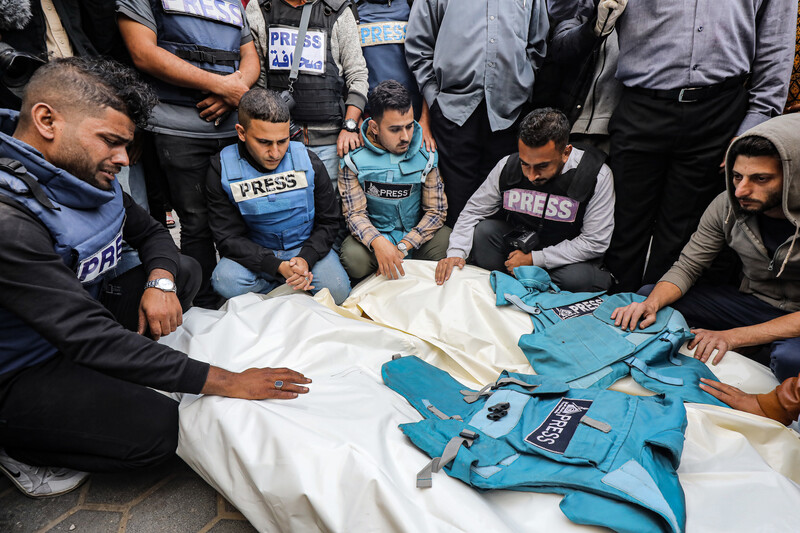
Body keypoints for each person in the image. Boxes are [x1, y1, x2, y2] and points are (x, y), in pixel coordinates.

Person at [0, 58, 310, 499]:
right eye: (110, 141)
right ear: (47, 120)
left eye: (126, 144)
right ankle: (18, 445)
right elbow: (90, 338)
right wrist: (229, 381)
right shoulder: (10, 221)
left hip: (74, 325)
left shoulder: (81, 170)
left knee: (183, 270)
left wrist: (160, 282)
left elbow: (150, 232)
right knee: (160, 432)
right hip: (22, 369)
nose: (124, 159)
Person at [602, 0, 797, 292]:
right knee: (621, 226)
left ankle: (655, 321)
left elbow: (776, 48)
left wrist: (750, 128)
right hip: (642, 103)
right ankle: (608, 317)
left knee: (683, 233)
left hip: (719, 112)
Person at [611, 115, 800, 415]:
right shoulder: (727, 204)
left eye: (760, 179)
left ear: (794, 175)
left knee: (791, 360)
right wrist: (652, 302)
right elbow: (688, 265)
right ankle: (755, 347)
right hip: (754, 302)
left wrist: (734, 336)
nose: (741, 190)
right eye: (737, 176)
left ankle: (769, 386)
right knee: (650, 298)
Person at [117, 0, 260, 308]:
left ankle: (247, 298)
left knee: (245, 216)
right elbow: (143, 52)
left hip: (232, 126)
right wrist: (222, 86)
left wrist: (237, 90)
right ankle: (204, 306)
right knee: (196, 223)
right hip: (177, 126)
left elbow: (249, 54)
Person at [435, 108, 614, 292]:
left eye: (542, 166)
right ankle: (504, 288)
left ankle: (531, 287)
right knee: (484, 232)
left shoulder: (596, 175)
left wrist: (535, 259)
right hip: (519, 248)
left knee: (578, 280)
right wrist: (456, 254)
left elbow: (594, 242)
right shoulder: (507, 165)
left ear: (566, 152)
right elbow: (473, 211)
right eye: (525, 163)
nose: (531, 175)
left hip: (564, 261)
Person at [405, 0, 549, 227]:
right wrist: (434, 99)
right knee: (455, 213)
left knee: (499, 215)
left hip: (509, 115)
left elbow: (537, 45)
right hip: (453, 113)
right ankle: (456, 261)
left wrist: (522, 84)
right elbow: (419, 45)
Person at [207, 88, 351, 304]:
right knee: (224, 280)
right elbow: (227, 237)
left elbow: (329, 222)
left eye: (282, 141)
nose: (275, 153)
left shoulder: (308, 161)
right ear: (241, 132)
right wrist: (276, 267)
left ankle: (279, 291)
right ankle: (292, 287)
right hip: (258, 255)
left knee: (338, 291)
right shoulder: (221, 168)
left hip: (305, 250)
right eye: (264, 142)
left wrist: (305, 259)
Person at [245, 0, 369, 186]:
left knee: (329, 211)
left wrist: (349, 126)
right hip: (277, 145)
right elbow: (258, 82)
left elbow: (357, 74)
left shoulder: (338, 10)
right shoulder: (261, 8)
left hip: (330, 143)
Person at [339, 80, 449, 280]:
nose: (406, 137)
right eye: (395, 129)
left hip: (416, 239)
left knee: (448, 242)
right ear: (374, 127)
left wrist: (403, 246)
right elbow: (354, 214)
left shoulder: (427, 154)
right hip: (376, 240)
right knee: (352, 258)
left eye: (409, 126)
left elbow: (436, 211)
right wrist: (379, 243)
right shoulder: (353, 159)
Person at [354, 0, 435, 151]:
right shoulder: (351, 10)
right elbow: (347, 72)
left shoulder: (415, 7)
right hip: (369, 124)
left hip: (414, 124)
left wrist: (426, 121)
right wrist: (355, 119)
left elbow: (429, 69)